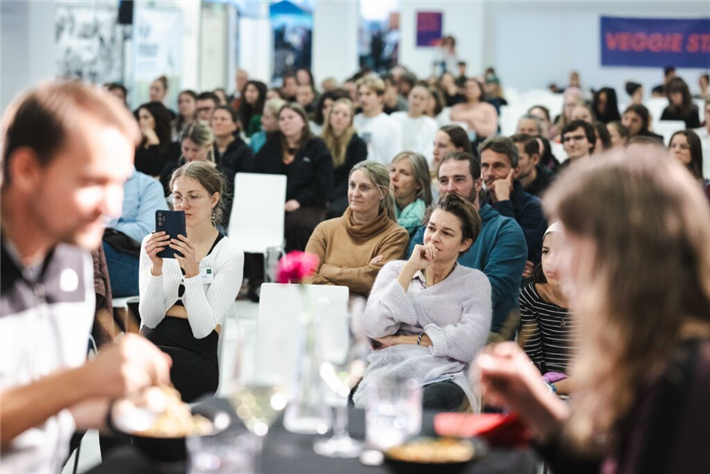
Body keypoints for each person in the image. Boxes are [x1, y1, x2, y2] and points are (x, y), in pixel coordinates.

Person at [477, 151, 710, 473]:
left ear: (628, 255)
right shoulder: (652, 350)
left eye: (573, 244)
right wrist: (533, 403)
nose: (560, 264)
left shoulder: (680, 373)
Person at [0, 81, 171, 472]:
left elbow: (44, 406)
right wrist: (84, 380)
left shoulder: (73, 253)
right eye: (94, 182)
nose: (113, 207)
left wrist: (123, 409)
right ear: (26, 170)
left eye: (120, 183)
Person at [354, 193, 492, 412]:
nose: (434, 238)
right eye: (431, 228)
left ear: (465, 244)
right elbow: (373, 326)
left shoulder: (475, 282)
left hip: (443, 376)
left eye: (446, 233)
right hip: (388, 369)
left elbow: (470, 344)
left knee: (425, 405)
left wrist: (403, 339)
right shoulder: (395, 270)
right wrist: (410, 269)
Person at [140, 161, 243, 402]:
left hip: (195, 353)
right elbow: (150, 319)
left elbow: (202, 329)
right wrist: (156, 269)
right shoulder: (153, 244)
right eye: (177, 197)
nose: (183, 205)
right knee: (117, 375)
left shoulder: (229, 253)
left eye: (193, 196)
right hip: (152, 344)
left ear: (213, 199)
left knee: (141, 379)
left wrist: (192, 272)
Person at [408, 152, 527, 342]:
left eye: (459, 179)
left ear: (478, 184)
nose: (450, 188)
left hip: (484, 333)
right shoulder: (427, 230)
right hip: (423, 328)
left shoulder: (505, 230)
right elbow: (411, 282)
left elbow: (487, 294)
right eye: (444, 181)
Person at [306, 161, 409, 296]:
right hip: (323, 306)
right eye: (352, 185)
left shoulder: (396, 235)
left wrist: (326, 270)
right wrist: (347, 297)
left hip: (365, 310)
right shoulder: (325, 229)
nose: (355, 193)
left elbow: (372, 280)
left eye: (364, 187)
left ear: (382, 193)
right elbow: (305, 275)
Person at [253, 103, 334, 252]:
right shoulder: (271, 145)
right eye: (282, 118)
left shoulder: (317, 146)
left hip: (308, 204)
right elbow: (257, 174)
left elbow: (323, 182)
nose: (286, 121)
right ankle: (260, 267)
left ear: (303, 121)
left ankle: (297, 266)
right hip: (274, 203)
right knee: (254, 221)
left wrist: (299, 201)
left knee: (298, 226)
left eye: (291, 117)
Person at [519, 222, 577, 396]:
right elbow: (532, 360)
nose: (551, 262)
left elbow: (599, 368)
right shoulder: (531, 296)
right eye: (546, 252)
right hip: (546, 387)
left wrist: (552, 389)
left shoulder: (595, 298)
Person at [480, 137, 547, 271]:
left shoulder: (535, 207)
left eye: (498, 166)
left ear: (515, 171)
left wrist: (503, 200)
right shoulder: (478, 205)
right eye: (485, 166)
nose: (490, 173)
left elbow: (510, 249)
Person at [103, 168, 168, 298]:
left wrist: (108, 225)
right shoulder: (94, 184)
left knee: (91, 252)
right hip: (103, 251)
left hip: (137, 260)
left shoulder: (148, 185)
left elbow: (147, 233)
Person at [322, 98, 368, 218]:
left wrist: (330, 197)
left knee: (334, 211)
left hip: (346, 191)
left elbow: (351, 177)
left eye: (345, 115)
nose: (339, 117)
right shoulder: (319, 141)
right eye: (336, 112)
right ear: (330, 115)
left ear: (350, 120)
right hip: (321, 190)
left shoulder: (358, 144)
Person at [353, 76, 402, 166]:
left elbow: (393, 161)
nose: (363, 99)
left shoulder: (391, 125)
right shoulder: (352, 121)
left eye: (368, 94)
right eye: (360, 94)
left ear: (381, 97)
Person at [391, 84, 439, 160]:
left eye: (422, 99)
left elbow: (429, 150)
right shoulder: (395, 118)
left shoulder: (431, 124)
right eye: (415, 96)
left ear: (427, 103)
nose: (417, 101)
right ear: (408, 97)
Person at [390, 152, 433, 235]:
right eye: (392, 170)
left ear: (418, 184)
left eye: (404, 173)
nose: (394, 177)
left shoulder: (426, 223)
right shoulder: (378, 209)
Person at [134, 101, 179, 177]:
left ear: (157, 119)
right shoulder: (137, 145)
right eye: (139, 118)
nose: (140, 121)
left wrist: (154, 143)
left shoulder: (174, 147)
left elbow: (157, 171)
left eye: (145, 117)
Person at [211, 105, 254, 179]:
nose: (218, 122)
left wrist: (215, 167)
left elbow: (245, 179)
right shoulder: (206, 147)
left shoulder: (244, 151)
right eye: (215, 119)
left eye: (223, 119)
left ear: (235, 125)